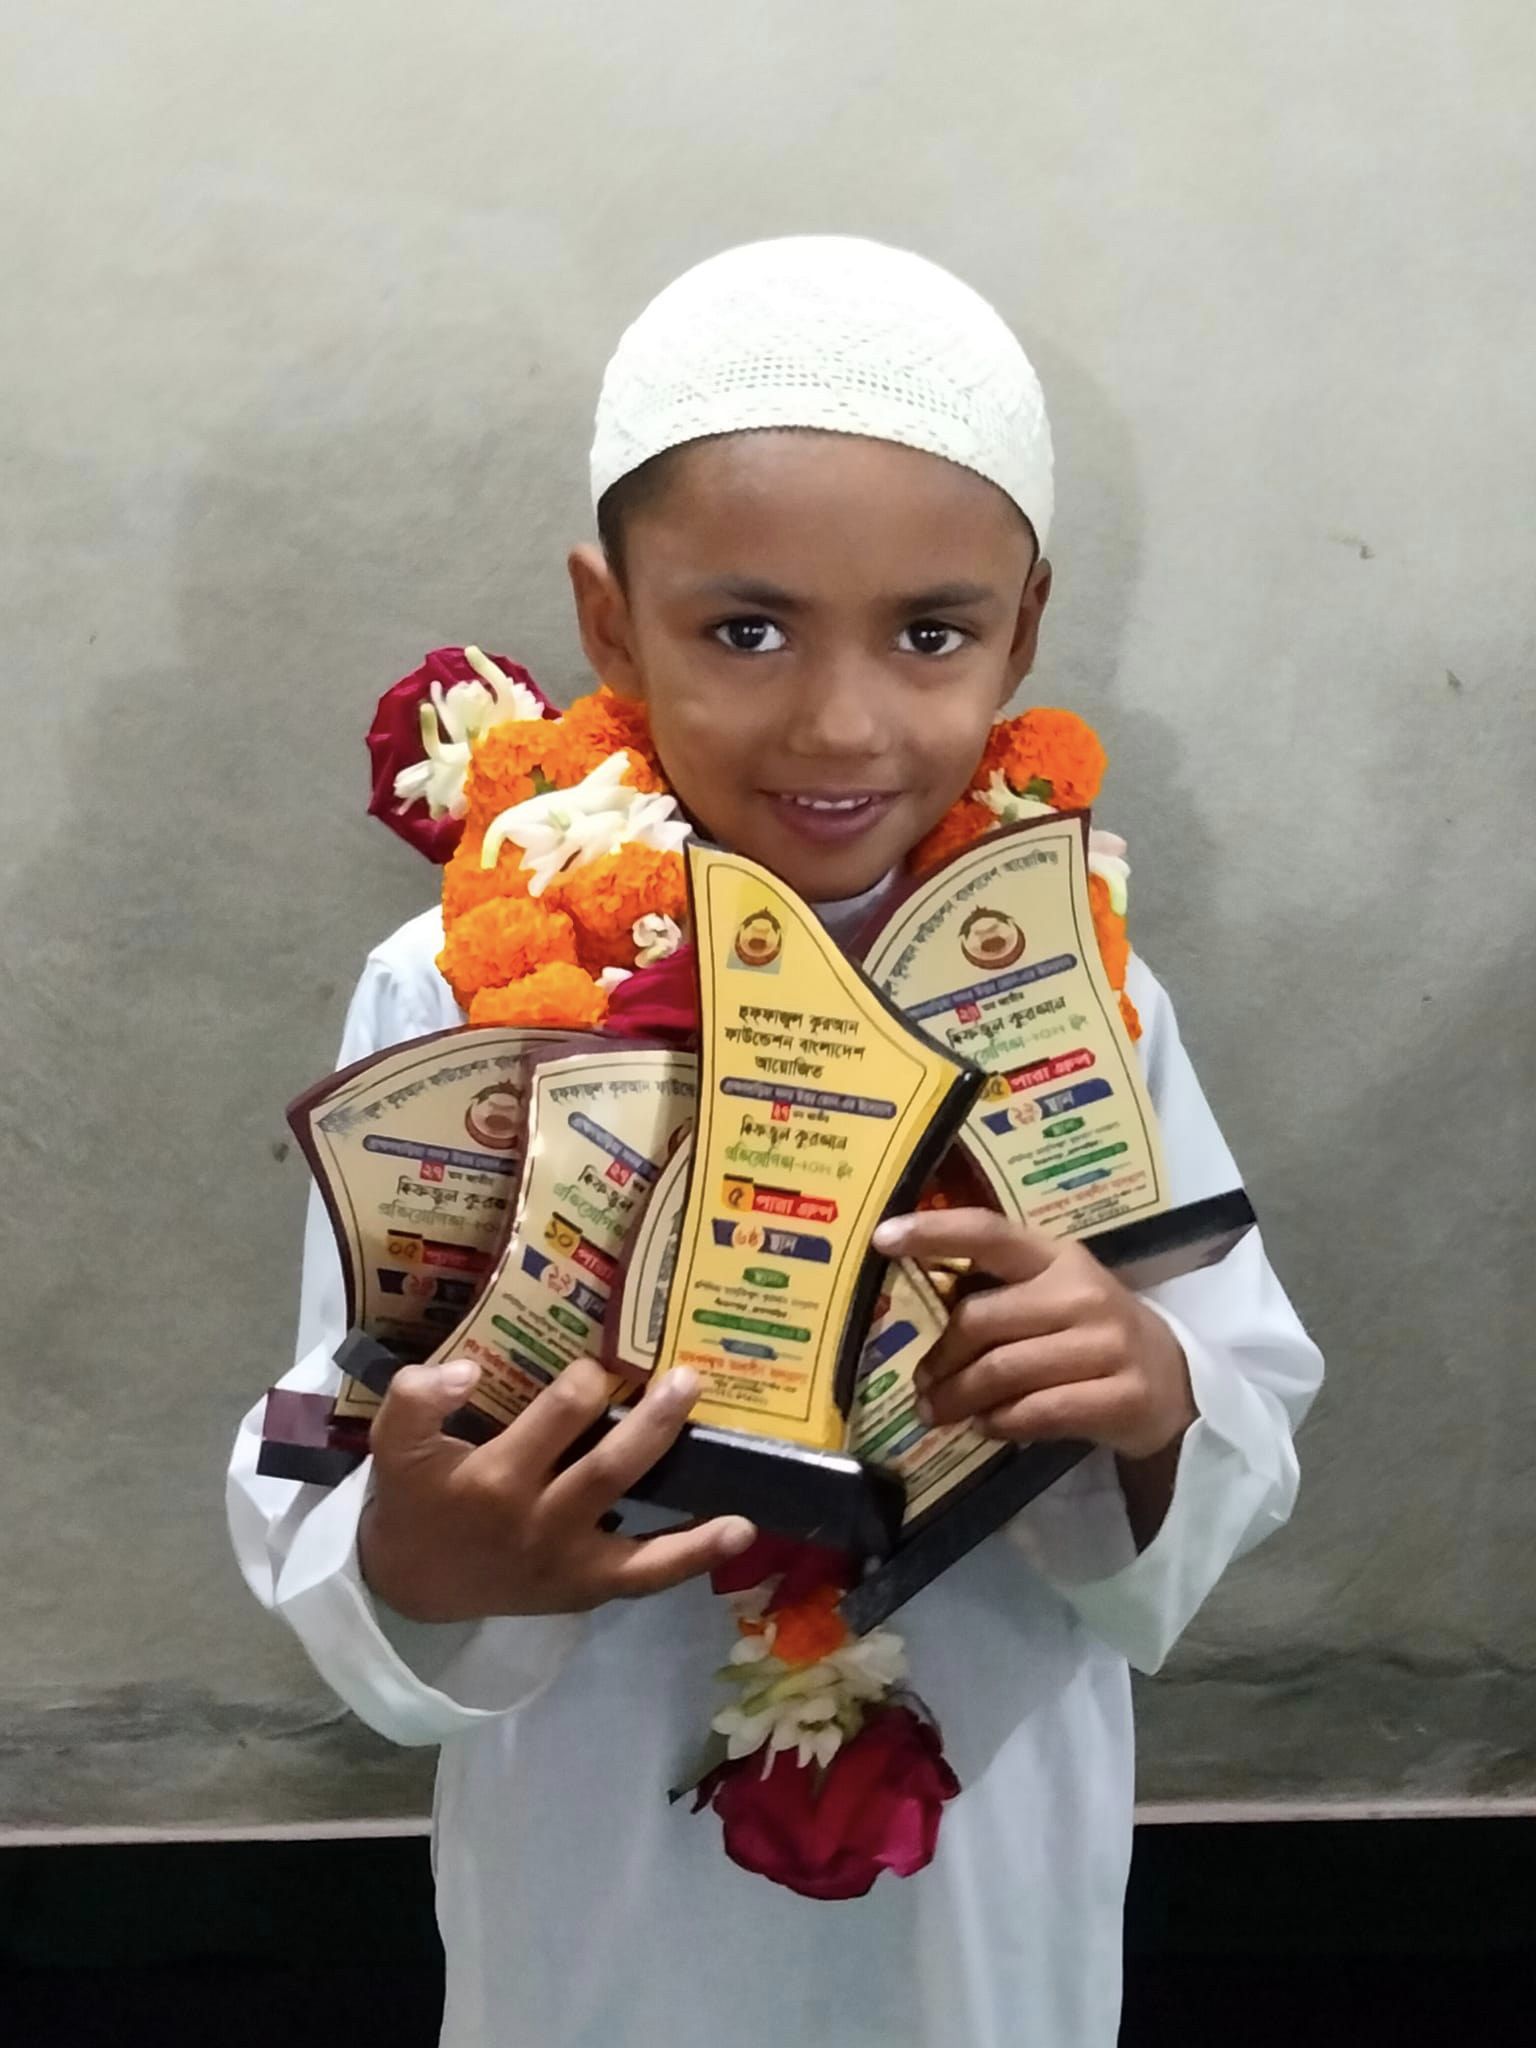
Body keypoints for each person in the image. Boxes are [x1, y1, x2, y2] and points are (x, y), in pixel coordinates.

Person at [228, 237, 1322, 2048]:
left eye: (931, 633)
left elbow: (1243, 1384)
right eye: (747, 631)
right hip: (598, 1833)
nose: (841, 720)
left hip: (987, 1830)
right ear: (609, 624)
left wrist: (1149, 1394)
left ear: (1024, 631)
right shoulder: (456, 990)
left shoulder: (1073, 988)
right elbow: (321, 1432)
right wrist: (416, 1557)